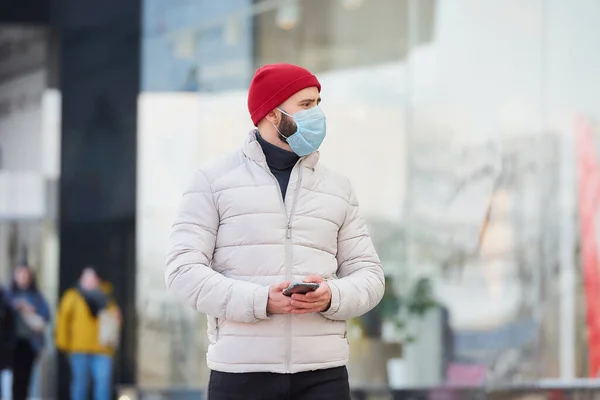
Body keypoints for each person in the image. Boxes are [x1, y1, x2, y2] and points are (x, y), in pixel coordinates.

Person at [166, 63, 385, 399]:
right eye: (307, 105)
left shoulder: (338, 188)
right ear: (272, 113)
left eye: (318, 103)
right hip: (240, 375)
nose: (318, 114)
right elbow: (182, 272)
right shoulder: (212, 181)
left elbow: (370, 276)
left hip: (324, 376)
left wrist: (332, 296)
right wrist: (260, 301)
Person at [55, 267, 121, 400]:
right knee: (80, 384)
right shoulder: (72, 297)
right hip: (79, 348)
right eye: (86, 277)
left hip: (102, 349)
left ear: (97, 280)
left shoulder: (106, 297)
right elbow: (62, 321)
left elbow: (114, 322)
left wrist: (117, 317)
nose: (89, 281)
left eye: (92, 277)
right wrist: (63, 344)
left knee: (103, 385)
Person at [6, 265, 50, 400]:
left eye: (26, 275)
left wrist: (30, 310)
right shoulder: (8, 294)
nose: (23, 278)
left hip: (30, 343)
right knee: (11, 380)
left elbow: (46, 316)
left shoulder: (36, 296)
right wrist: (15, 305)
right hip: (10, 343)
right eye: (20, 274)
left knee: (25, 379)